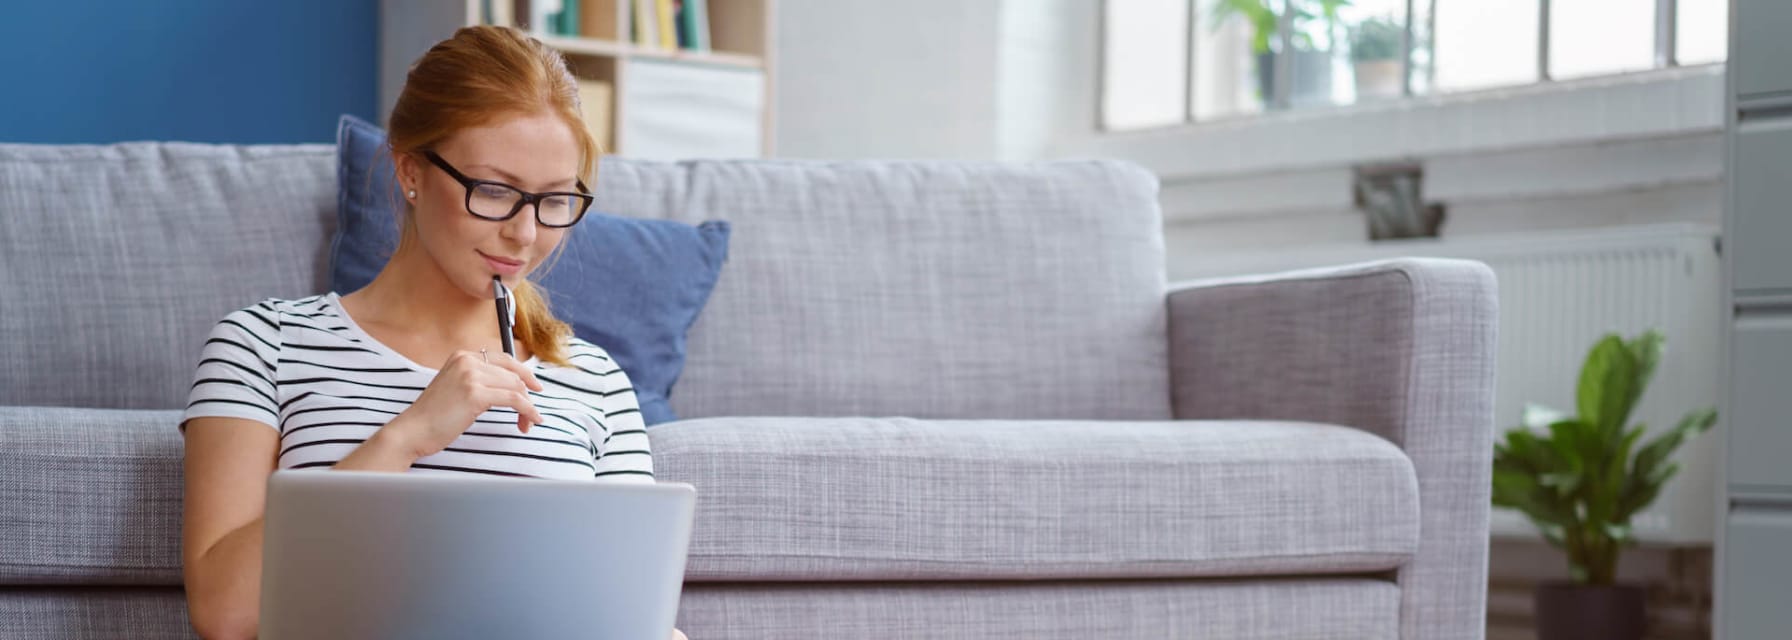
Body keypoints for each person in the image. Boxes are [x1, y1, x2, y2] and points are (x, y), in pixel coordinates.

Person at [178, 25, 687, 640]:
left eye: (554, 200)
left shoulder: (596, 382)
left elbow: (631, 614)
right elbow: (224, 614)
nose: (524, 235)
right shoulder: (264, 344)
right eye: (494, 191)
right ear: (410, 169)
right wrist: (407, 437)